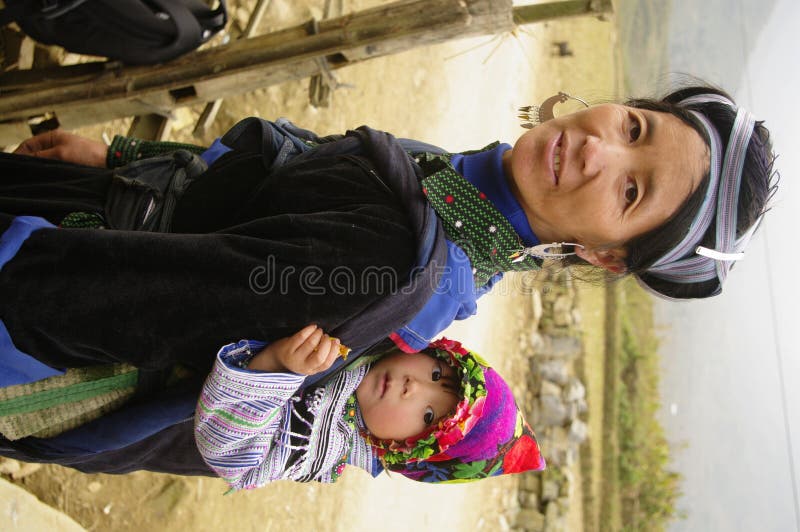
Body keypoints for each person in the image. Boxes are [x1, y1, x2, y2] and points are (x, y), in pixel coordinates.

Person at [0, 84, 777, 474]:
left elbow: (132, 304)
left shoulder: (395, 261)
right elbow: (289, 164)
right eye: (634, 128)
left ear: (608, 254)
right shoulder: (468, 194)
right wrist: (120, 161)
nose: (600, 152)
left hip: (37, 287)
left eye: (631, 192)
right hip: (82, 226)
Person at [194, 325, 545, 489]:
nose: (414, 387)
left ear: (403, 449)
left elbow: (233, 458)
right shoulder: (375, 330)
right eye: (437, 373)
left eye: (428, 416)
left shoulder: (324, 447)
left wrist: (273, 364)